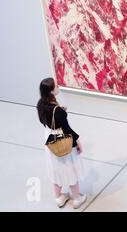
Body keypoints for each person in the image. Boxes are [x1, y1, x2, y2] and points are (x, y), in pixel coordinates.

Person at [36, 77, 87, 209]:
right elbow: (67, 130)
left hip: (50, 141)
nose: (58, 87)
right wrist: (77, 142)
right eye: (56, 86)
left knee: (55, 169)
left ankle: (59, 198)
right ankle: (77, 198)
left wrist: (60, 110)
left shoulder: (40, 104)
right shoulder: (57, 112)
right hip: (62, 140)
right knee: (70, 169)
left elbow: (44, 120)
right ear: (52, 92)